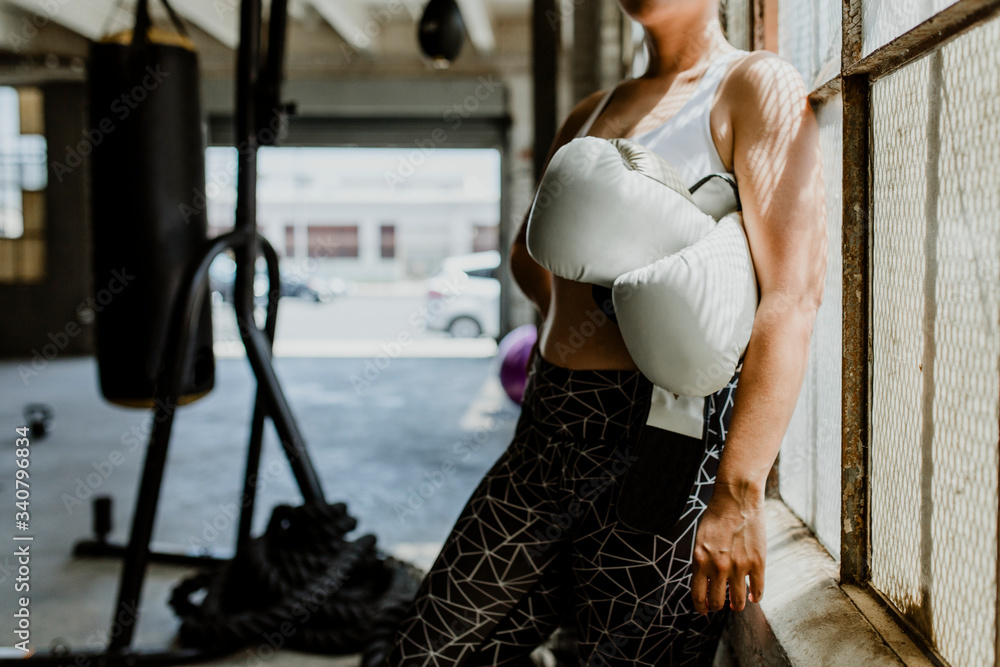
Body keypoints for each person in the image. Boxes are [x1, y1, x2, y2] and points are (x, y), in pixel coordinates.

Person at [382, 0, 827, 663]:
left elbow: (793, 294)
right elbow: (535, 266)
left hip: (661, 436)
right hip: (550, 424)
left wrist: (738, 491)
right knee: (430, 650)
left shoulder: (753, 84)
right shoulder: (586, 114)